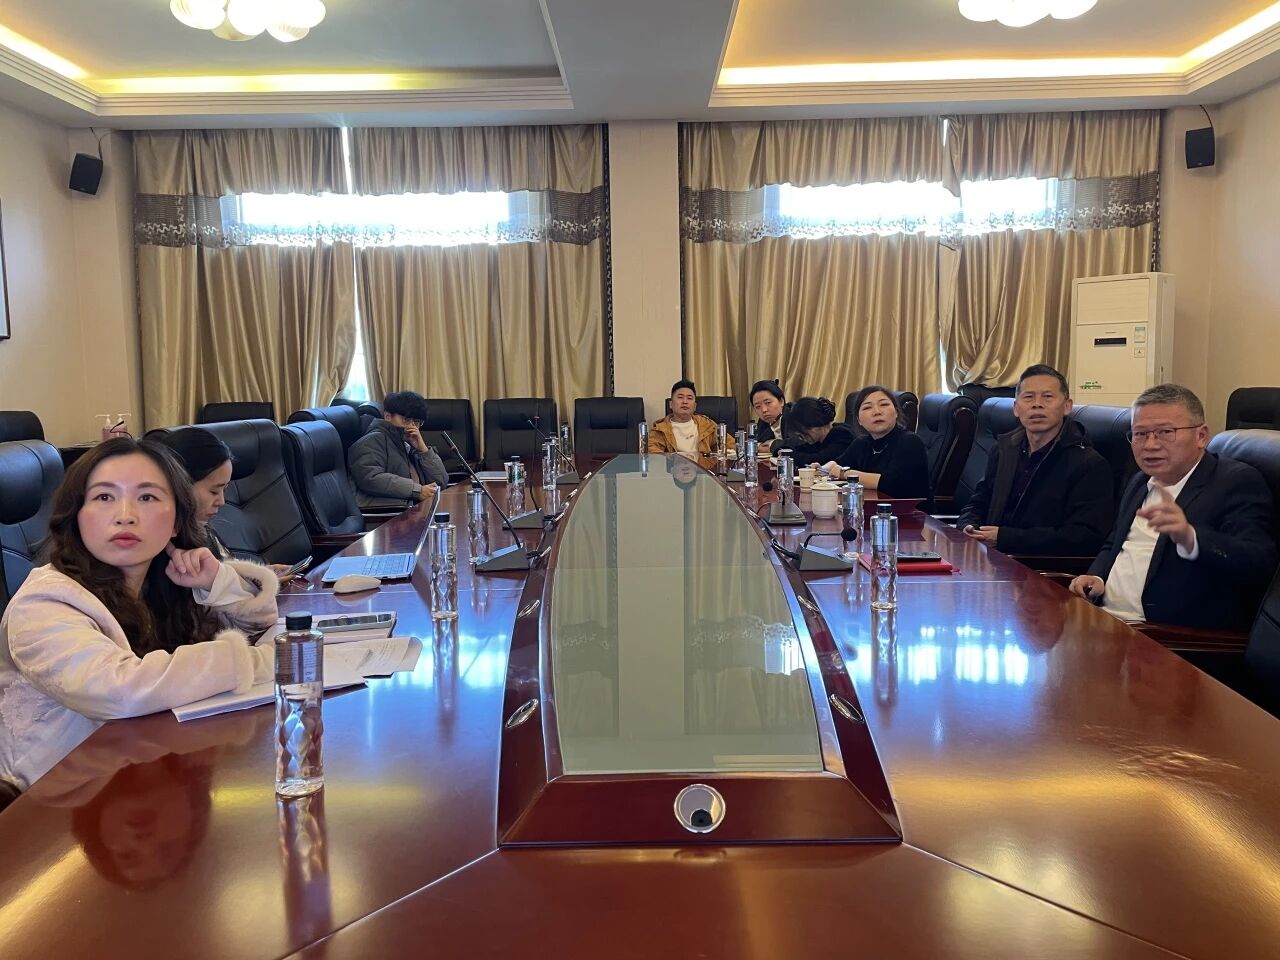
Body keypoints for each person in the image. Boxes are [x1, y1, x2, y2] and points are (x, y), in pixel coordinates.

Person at [0, 437, 280, 793]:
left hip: (147, 773)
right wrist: (260, 662)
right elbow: (119, 690)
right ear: (77, 516)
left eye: (147, 497)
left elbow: (259, 627)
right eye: (104, 497)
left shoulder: (164, 582)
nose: (125, 515)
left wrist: (217, 583)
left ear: (176, 521)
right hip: (57, 798)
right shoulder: (42, 603)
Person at [1070, 383, 1276, 630]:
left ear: (1201, 436)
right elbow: (1115, 541)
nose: (1150, 445)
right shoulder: (1140, 480)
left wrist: (1190, 538)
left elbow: (1258, 563)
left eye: (1165, 432)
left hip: (1163, 635)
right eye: (1140, 434)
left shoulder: (1236, 482)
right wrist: (1097, 575)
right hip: (1102, 618)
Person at [955, 365, 1112, 556]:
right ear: (1016, 408)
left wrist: (1005, 538)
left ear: (1067, 406)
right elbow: (978, 502)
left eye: (1048, 397)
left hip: (1039, 566)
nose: (1037, 404)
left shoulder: (1088, 464)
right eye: (1028, 397)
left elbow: (1085, 537)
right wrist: (968, 526)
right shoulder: (1004, 450)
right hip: (991, 559)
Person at [155, 427, 303, 582]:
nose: (222, 501)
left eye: (225, 490)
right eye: (214, 491)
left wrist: (258, 575)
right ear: (180, 485)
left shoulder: (201, 528)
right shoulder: (168, 551)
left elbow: (224, 572)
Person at [823, 386, 931, 500]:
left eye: (884, 404)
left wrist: (845, 473)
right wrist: (821, 468)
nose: (877, 412)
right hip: (870, 507)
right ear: (859, 420)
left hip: (909, 510)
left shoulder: (910, 442)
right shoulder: (862, 443)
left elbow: (890, 484)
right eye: (867, 407)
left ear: (896, 412)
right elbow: (837, 464)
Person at [348, 390, 449, 510]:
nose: (412, 426)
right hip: (386, 513)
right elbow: (371, 478)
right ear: (387, 416)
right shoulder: (370, 441)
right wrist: (417, 490)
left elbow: (441, 482)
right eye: (407, 419)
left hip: (413, 508)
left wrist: (423, 450)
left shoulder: (408, 442)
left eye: (417, 422)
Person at [647, 380, 737, 458]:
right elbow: (654, 456)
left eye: (689, 398)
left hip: (703, 470)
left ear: (695, 406)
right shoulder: (660, 430)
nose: (685, 402)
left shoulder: (707, 425)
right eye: (680, 397)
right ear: (671, 404)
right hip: (674, 471)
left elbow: (731, 446)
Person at [782, 397, 856, 466]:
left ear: (814, 424)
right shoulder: (819, 440)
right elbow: (795, 447)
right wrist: (784, 452)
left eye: (803, 432)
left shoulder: (843, 435)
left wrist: (789, 457)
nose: (803, 438)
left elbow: (820, 460)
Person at [749, 379, 788, 448]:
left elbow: (796, 446)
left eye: (768, 403)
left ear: (781, 401)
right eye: (758, 406)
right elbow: (758, 444)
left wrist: (772, 445)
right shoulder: (763, 422)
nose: (764, 410)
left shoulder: (794, 417)